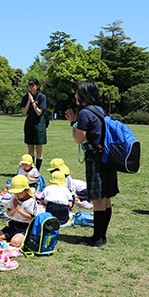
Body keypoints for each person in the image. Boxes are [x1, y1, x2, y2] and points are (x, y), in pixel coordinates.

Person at [65, 79, 118, 247]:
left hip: (96, 158)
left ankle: (96, 238)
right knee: (106, 198)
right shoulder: (99, 110)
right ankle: (101, 236)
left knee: (98, 200)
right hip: (107, 156)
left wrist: (73, 123)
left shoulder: (85, 113)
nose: (75, 95)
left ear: (83, 94)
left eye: (77, 92)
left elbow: (78, 138)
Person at [0, 175, 37, 248]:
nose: (17, 195)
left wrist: (19, 210)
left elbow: (31, 218)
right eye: (15, 193)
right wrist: (14, 209)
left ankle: (18, 238)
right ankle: (10, 236)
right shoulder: (14, 198)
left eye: (19, 192)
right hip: (13, 225)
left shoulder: (31, 201)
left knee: (15, 242)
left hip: (24, 227)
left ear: (26, 190)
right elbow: (8, 213)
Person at [21, 77, 47, 170]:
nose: (31, 88)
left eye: (33, 86)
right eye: (30, 86)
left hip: (39, 122)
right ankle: (30, 169)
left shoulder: (42, 97)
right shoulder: (25, 96)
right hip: (29, 122)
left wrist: (32, 101)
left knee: (38, 148)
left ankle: (37, 170)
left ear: (38, 86)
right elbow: (24, 112)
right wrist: (28, 100)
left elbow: (39, 112)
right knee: (30, 148)